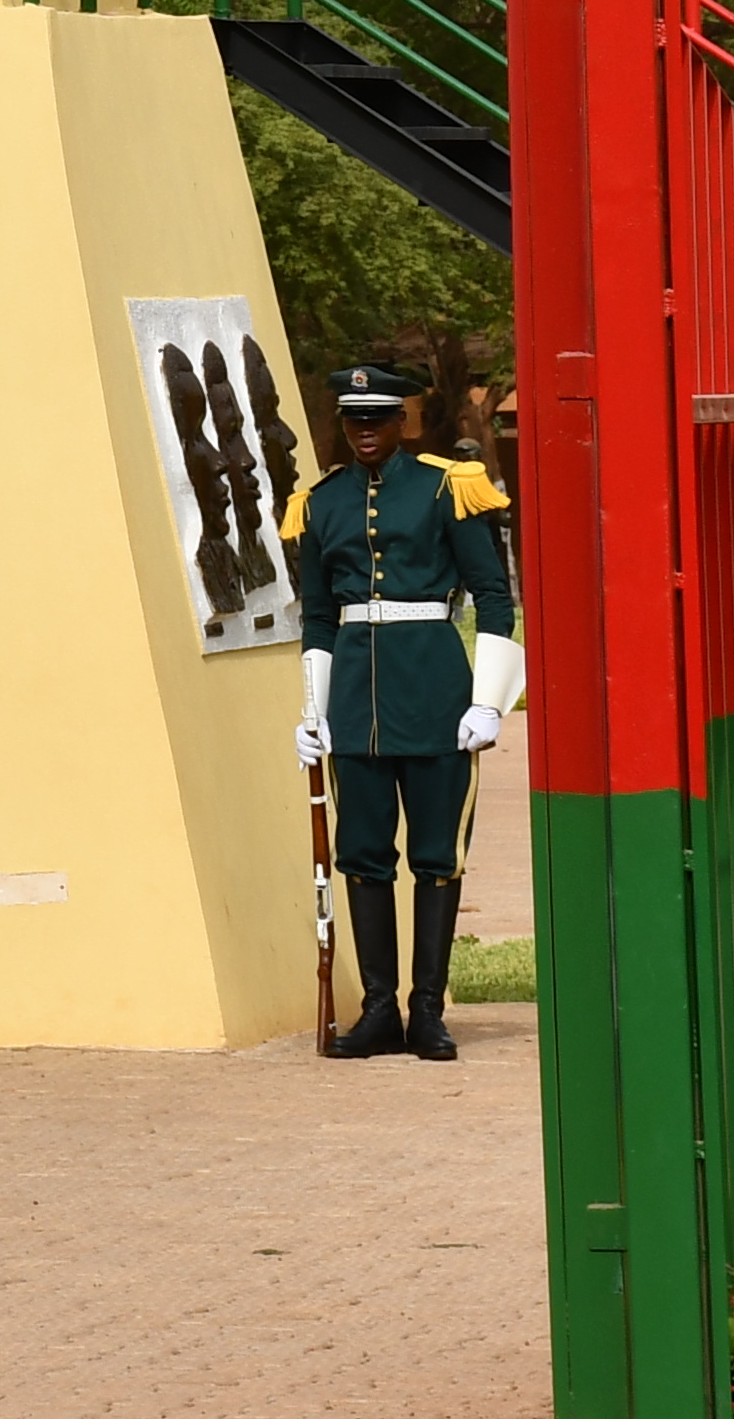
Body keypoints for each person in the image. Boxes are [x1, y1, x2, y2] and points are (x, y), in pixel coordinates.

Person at [287, 360, 521, 1060]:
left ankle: (427, 1011)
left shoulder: (446, 488)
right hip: (357, 704)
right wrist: (314, 710)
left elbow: (494, 596)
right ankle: (379, 1010)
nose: (364, 431)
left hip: (437, 694)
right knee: (362, 857)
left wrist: (489, 702)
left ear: (401, 422)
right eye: (354, 420)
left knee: (434, 856)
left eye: (377, 419)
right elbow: (320, 616)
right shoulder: (322, 503)